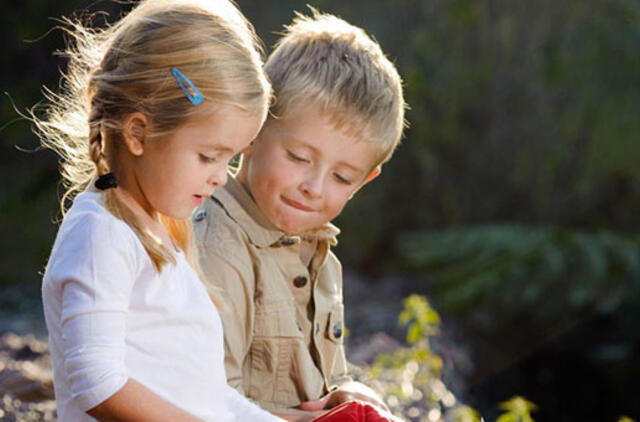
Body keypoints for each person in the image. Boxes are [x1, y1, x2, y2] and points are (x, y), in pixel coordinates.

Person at [37, 1, 283, 421]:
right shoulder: (101, 234)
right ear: (138, 134)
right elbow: (96, 382)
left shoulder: (157, 233)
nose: (222, 177)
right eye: (208, 156)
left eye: (230, 159)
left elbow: (207, 398)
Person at [193, 8, 406, 421]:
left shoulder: (321, 257)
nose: (314, 186)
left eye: (343, 178)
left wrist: (347, 394)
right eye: (298, 157)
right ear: (251, 131)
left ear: (366, 180)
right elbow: (207, 403)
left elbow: (318, 391)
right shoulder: (218, 247)